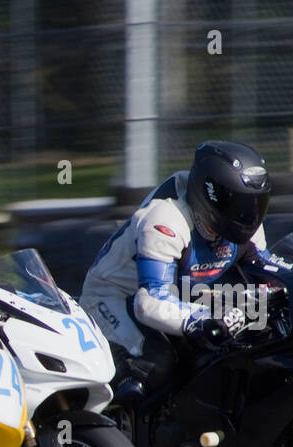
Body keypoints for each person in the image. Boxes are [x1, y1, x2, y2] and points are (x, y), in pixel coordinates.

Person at [79, 140, 275, 399]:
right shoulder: (166, 220)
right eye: (239, 204)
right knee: (158, 364)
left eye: (256, 204)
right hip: (114, 298)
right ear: (211, 195)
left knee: (252, 343)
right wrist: (200, 319)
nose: (249, 215)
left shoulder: (248, 225)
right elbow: (149, 302)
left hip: (185, 295)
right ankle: (115, 431)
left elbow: (268, 273)